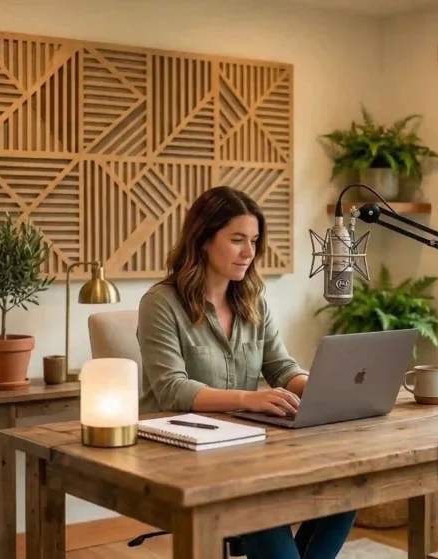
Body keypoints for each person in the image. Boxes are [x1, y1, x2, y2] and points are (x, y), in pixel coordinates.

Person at [136, 186, 356, 559]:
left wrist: (321, 389)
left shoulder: (253, 301)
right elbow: (172, 388)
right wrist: (249, 398)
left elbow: (281, 368)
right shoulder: (161, 303)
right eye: (237, 239)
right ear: (204, 240)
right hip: (181, 450)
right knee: (260, 502)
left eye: (253, 241)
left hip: (247, 446)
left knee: (346, 485)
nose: (249, 252)